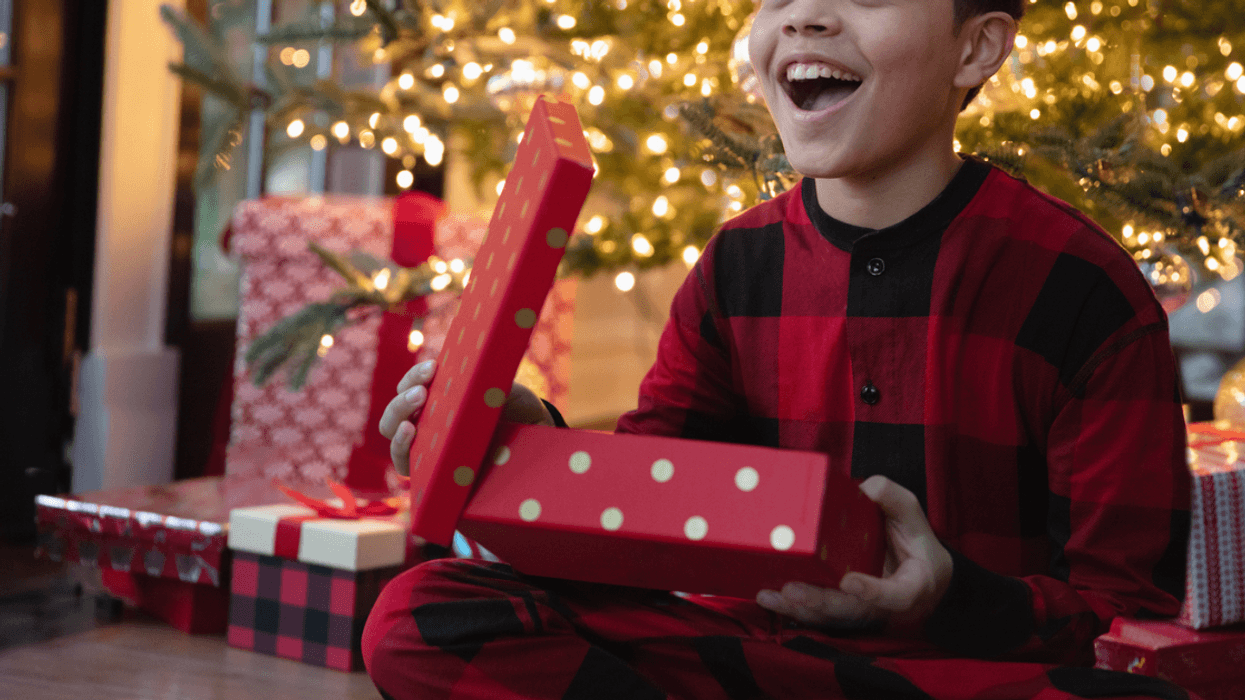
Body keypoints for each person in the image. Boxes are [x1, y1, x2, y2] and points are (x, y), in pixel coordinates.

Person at [362, 0, 1195, 697]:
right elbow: (642, 512)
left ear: (974, 49)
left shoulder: (1085, 290)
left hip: (958, 676)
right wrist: (523, 441)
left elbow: (1113, 612)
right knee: (419, 615)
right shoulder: (736, 265)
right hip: (754, 659)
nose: (801, 19)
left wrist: (944, 596)